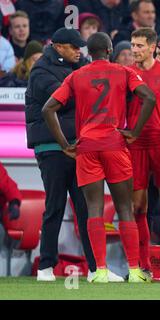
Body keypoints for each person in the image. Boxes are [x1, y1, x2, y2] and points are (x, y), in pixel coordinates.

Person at [41, 32, 156, 283]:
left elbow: (48, 108)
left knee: (93, 209)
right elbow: (149, 97)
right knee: (125, 208)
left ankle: (100, 271)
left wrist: (63, 144)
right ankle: (135, 270)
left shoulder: (75, 75)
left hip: (87, 146)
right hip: (115, 144)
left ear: (89, 52)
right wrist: (134, 132)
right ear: (110, 49)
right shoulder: (123, 72)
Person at [25, 28, 102, 282]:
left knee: (85, 208)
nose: (79, 51)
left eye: (80, 47)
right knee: (55, 205)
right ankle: (45, 266)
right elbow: (65, 99)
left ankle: (95, 269)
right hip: (51, 147)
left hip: (77, 147)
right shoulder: (40, 71)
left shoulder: (78, 65)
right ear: (58, 46)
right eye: (74, 47)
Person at [127, 27, 160, 279]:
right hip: (135, 144)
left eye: (140, 46)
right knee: (137, 207)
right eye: (133, 45)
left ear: (153, 46)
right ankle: (141, 266)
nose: (135, 50)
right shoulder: (127, 73)